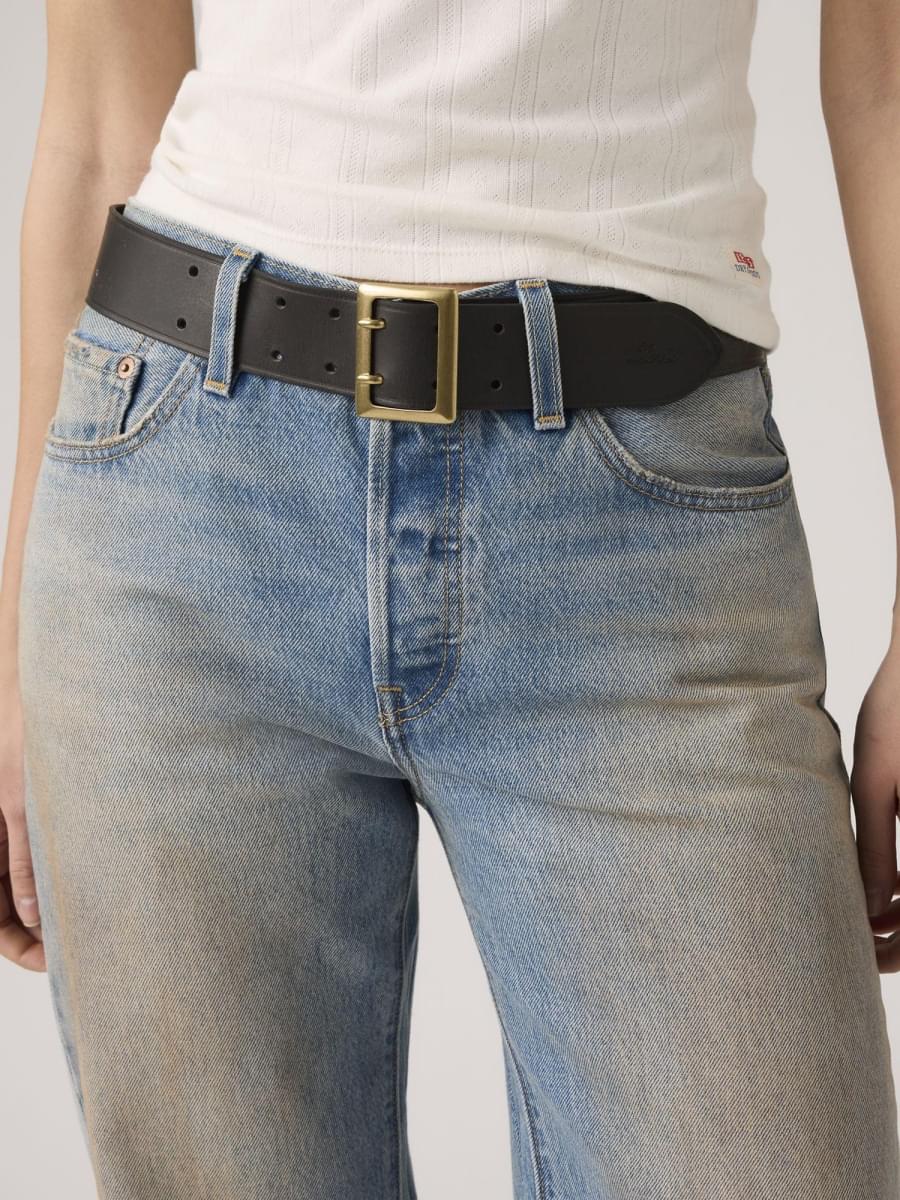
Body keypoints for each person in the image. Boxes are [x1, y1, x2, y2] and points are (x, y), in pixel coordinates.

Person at [4, 0, 900, 1196]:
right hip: (182, 506)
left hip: (640, 537)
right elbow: (101, 119)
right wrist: (15, 651)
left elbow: (888, 86)